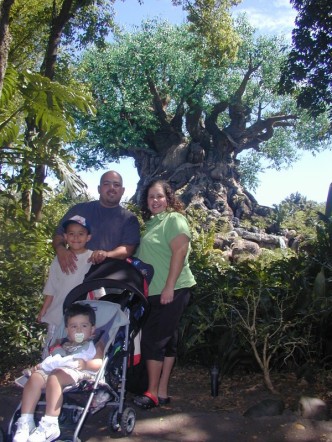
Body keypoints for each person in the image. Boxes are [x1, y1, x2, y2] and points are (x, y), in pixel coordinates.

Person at [133, 179, 196, 409]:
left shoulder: (174, 219)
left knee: (153, 339)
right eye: (151, 197)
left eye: (159, 196)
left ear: (168, 198)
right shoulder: (151, 224)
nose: (155, 201)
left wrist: (169, 286)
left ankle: (150, 392)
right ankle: (162, 391)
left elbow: (180, 250)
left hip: (172, 289)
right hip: (155, 291)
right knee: (168, 341)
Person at [13, 303, 104, 442]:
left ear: (92, 329)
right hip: (57, 370)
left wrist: (86, 363)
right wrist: (40, 367)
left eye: (84, 326)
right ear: (67, 329)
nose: (79, 329)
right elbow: (53, 359)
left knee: (55, 377)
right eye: (74, 326)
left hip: (79, 372)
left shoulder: (95, 344)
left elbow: (99, 363)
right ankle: (26, 421)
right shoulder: (63, 343)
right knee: (35, 378)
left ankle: (50, 423)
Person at [53, 170, 140, 274]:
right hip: (74, 275)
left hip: (110, 279)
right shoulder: (79, 210)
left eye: (116, 185)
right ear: (99, 189)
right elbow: (59, 235)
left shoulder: (129, 219)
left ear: (122, 190)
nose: (112, 188)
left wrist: (106, 255)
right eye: (106, 184)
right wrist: (60, 249)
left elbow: (127, 248)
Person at [38, 215, 93, 356]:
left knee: (76, 350)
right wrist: (44, 309)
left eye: (81, 234)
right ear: (65, 237)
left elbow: (96, 286)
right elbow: (51, 286)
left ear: (88, 237)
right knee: (51, 349)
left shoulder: (92, 258)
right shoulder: (58, 258)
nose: (76, 237)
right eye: (71, 234)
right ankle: (45, 374)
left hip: (79, 318)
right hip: (56, 314)